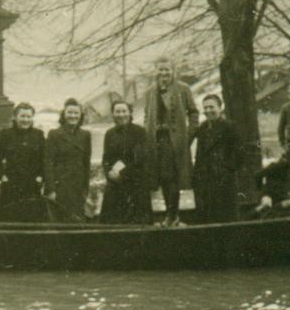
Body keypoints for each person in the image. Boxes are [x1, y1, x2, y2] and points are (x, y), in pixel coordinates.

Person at [144, 57, 199, 226]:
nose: (164, 73)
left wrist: (188, 135)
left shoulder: (183, 88)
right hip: (156, 140)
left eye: (167, 69)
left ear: (173, 71)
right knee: (161, 177)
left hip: (174, 140)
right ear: (156, 71)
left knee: (172, 177)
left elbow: (194, 112)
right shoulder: (150, 91)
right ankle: (171, 214)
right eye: (161, 69)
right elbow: (147, 115)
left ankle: (172, 215)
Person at [99, 100, 153, 224]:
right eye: (117, 111)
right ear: (113, 114)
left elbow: (141, 159)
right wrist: (108, 173)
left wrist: (122, 174)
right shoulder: (109, 134)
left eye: (124, 111)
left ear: (130, 113)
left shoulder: (139, 132)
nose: (121, 114)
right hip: (115, 184)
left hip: (135, 183)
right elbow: (106, 158)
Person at [191, 94, 241, 223]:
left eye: (211, 107)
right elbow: (199, 155)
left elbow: (238, 154)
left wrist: (227, 170)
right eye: (205, 108)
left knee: (226, 217)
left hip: (224, 180)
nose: (208, 111)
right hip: (206, 180)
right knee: (208, 217)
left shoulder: (229, 127)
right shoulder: (202, 128)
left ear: (220, 107)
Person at [0, 102, 46, 222]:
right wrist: (1, 175)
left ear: (32, 118)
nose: (25, 120)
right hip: (12, 182)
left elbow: (44, 158)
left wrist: (41, 176)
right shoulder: (6, 134)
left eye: (28, 116)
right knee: (9, 217)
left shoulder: (38, 135)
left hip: (32, 183)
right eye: (22, 116)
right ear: (15, 117)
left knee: (31, 217)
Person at [44, 98, 92, 222]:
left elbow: (86, 163)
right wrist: (50, 189)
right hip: (59, 186)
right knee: (58, 220)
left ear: (80, 115)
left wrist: (85, 188)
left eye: (76, 113)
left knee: (78, 221)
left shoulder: (85, 135)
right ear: (64, 114)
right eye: (69, 112)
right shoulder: (54, 134)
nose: (73, 116)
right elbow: (48, 163)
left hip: (77, 186)